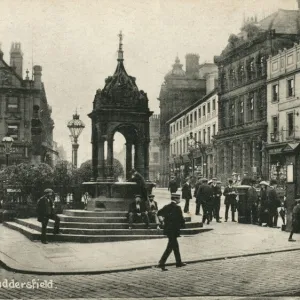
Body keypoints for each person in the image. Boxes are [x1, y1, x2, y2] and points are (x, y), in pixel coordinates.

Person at [157, 193, 186, 271]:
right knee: (170, 247)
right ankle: (162, 262)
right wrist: (183, 225)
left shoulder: (167, 206)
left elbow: (159, 213)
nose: (179, 200)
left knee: (174, 246)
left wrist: (162, 220)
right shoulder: (177, 208)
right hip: (174, 230)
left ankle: (178, 262)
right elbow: (181, 219)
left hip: (168, 229)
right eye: (178, 199)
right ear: (175, 199)